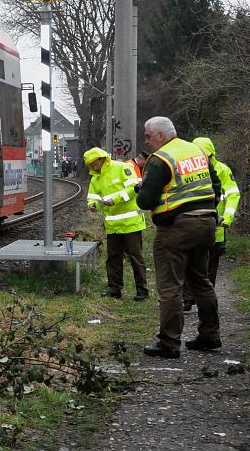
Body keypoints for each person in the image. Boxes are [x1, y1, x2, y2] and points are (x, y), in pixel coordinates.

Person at [135, 116, 222, 359]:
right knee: (200, 280)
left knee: (170, 286)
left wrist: (141, 190)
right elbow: (216, 186)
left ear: (161, 135)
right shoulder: (197, 151)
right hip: (205, 223)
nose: (146, 140)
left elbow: (146, 201)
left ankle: (169, 342)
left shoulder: (160, 159)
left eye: (148, 135)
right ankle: (210, 335)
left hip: (176, 228)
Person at [182, 137, 242, 310]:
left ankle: (206, 301)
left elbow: (232, 194)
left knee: (210, 267)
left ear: (210, 154)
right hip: (192, 225)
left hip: (216, 228)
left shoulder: (222, 170)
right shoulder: (188, 168)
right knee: (189, 263)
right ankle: (187, 298)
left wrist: (227, 218)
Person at [84, 147, 149, 301]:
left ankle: (142, 291)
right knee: (113, 257)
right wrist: (93, 205)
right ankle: (114, 289)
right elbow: (92, 197)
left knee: (135, 257)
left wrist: (116, 199)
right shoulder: (95, 178)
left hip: (130, 222)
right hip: (112, 225)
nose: (94, 166)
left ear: (102, 159)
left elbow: (133, 189)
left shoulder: (122, 167)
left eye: (95, 162)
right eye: (90, 164)